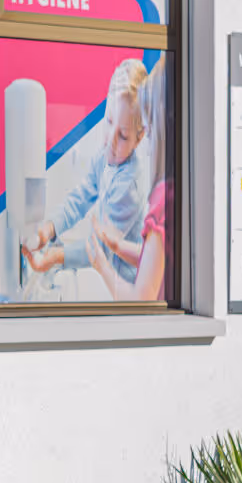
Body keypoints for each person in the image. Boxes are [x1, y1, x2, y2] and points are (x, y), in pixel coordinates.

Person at [22, 57, 149, 287]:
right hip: (113, 280)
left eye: (122, 135)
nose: (110, 140)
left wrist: (55, 257)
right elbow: (79, 199)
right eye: (108, 121)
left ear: (139, 138)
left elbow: (102, 247)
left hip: (131, 291)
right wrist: (49, 229)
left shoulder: (130, 184)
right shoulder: (105, 156)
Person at [89, 59, 171, 301]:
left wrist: (103, 266)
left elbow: (142, 298)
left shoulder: (162, 200)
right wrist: (118, 246)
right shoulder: (178, 193)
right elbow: (155, 262)